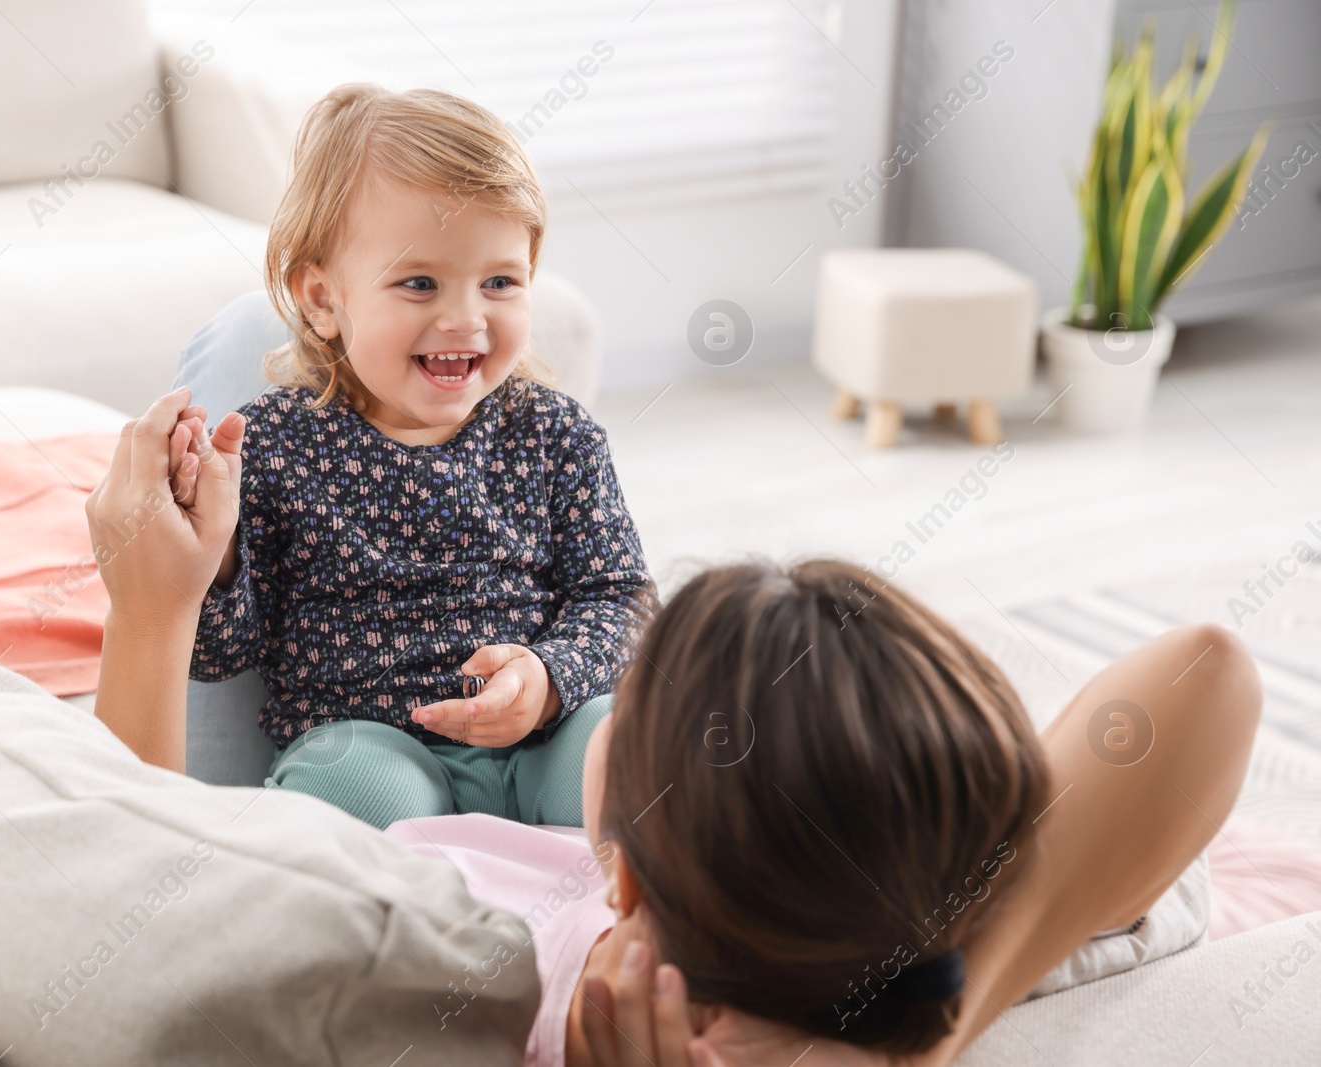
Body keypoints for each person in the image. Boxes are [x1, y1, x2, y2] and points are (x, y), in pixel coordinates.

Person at [88, 388, 1261, 1065]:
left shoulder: (477, 954)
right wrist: (924, 1027)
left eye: (628, 696)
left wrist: (150, 609)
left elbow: (155, 920)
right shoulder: (921, 932)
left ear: (629, 885)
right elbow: (1209, 672)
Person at [96, 84, 656, 830]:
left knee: (642, 756)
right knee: (353, 795)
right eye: (419, 283)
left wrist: (550, 679)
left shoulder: (558, 435)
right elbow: (222, 653)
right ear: (323, 301)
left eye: (500, 282)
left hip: (544, 738)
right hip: (370, 743)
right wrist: (217, 555)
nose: (466, 318)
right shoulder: (273, 445)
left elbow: (622, 598)